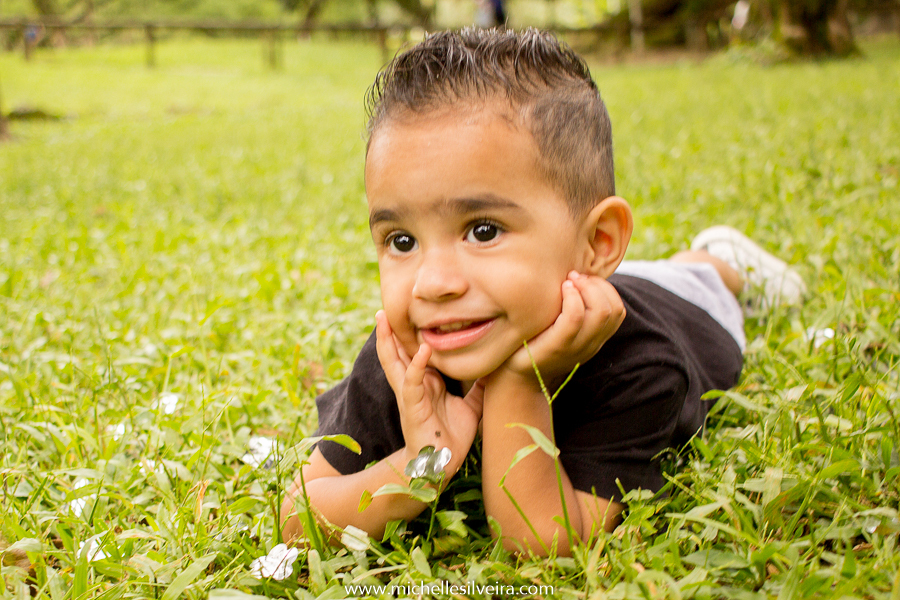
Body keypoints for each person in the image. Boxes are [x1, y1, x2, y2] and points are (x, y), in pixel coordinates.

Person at [280, 28, 803, 556]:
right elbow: (298, 515)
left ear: (598, 241)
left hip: (688, 304)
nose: (432, 284)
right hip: (563, 283)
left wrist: (521, 381)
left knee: (703, 271)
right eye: (402, 240)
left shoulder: (643, 364)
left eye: (483, 231)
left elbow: (539, 541)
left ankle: (723, 255)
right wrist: (420, 466)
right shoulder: (406, 358)